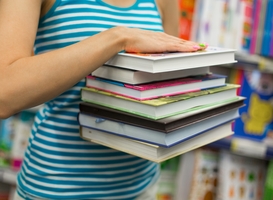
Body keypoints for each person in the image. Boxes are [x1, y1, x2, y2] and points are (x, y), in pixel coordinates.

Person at [0, 0, 206, 199]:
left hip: (142, 186)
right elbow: (5, 95)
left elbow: (166, 81)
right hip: (59, 187)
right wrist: (118, 38)